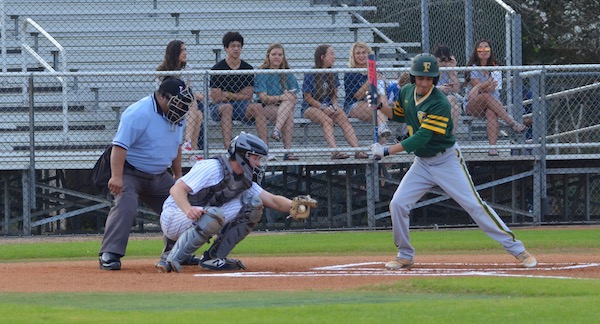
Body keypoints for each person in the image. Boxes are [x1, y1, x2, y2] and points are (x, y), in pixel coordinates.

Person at [370, 53, 537, 270]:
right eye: (420, 77)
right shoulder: (407, 92)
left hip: (446, 160)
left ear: (434, 80)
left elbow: (421, 137)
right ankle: (405, 254)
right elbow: (399, 114)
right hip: (422, 163)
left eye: (428, 78)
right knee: (398, 204)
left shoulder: (439, 102)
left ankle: (518, 250)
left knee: (475, 206)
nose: (423, 82)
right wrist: (379, 105)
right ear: (413, 78)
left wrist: (386, 150)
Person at [155, 132, 314, 273]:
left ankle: (213, 257)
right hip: (174, 215)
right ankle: (172, 259)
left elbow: (271, 199)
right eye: (255, 158)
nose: (258, 163)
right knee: (213, 214)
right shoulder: (212, 167)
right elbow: (176, 189)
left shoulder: (244, 179)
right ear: (242, 155)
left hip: (194, 217)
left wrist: (295, 207)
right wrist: (188, 209)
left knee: (254, 205)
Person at [99, 77, 194, 270]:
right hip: (130, 172)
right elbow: (119, 146)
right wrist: (116, 176)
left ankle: (177, 252)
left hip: (159, 174)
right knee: (126, 203)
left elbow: (176, 146)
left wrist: (178, 176)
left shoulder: (177, 116)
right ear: (161, 96)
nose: (182, 107)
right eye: (177, 101)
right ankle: (110, 253)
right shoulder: (138, 112)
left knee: (181, 206)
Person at [302, 44, 368, 160]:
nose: (334, 56)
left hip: (328, 106)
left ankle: (357, 150)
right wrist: (323, 107)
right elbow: (308, 97)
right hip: (311, 107)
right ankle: (334, 151)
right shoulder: (311, 73)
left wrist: (335, 105)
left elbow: (334, 95)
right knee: (327, 120)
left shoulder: (333, 72)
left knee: (343, 117)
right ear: (322, 57)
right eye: (331, 54)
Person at [464, 39, 526, 156]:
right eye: (480, 48)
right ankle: (512, 123)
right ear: (476, 52)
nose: (483, 51)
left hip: (491, 104)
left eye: (486, 48)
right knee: (486, 96)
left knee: (491, 112)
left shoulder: (495, 66)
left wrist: (484, 86)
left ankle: (493, 148)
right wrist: (486, 85)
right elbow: (477, 87)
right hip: (473, 104)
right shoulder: (473, 67)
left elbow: (493, 88)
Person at [210, 31, 268, 151]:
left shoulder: (247, 68)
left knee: (257, 107)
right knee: (227, 108)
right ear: (226, 48)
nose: (236, 49)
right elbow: (216, 98)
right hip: (220, 107)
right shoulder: (217, 68)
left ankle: (264, 147)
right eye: (233, 46)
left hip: (242, 106)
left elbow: (248, 95)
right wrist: (238, 95)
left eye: (238, 46)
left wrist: (228, 94)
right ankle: (228, 148)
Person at [157, 40, 205, 154]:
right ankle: (189, 143)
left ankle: (192, 150)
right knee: (193, 102)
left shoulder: (187, 68)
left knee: (199, 113)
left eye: (185, 50)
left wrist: (194, 95)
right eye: (182, 50)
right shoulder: (162, 70)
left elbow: (187, 91)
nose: (185, 53)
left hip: (183, 105)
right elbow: (161, 93)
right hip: (168, 104)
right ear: (174, 53)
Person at [255, 43, 300, 161]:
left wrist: (286, 97)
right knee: (288, 109)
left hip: (282, 107)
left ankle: (277, 131)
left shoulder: (286, 72)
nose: (277, 57)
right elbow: (263, 98)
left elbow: (294, 94)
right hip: (265, 107)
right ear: (268, 56)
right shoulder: (262, 72)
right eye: (274, 54)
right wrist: (281, 97)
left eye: (280, 54)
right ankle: (287, 150)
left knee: (289, 108)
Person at [343, 42, 392, 142]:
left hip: (374, 103)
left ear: (368, 54)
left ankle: (381, 143)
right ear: (353, 56)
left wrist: (379, 80)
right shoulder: (350, 73)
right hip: (355, 105)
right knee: (379, 110)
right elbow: (357, 96)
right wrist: (371, 79)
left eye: (364, 53)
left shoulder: (376, 70)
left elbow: (382, 93)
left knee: (381, 105)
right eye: (358, 53)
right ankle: (382, 143)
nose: (361, 56)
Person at [433, 44, 462, 134]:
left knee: (455, 107)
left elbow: (457, 89)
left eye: (446, 60)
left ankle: (451, 135)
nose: (444, 63)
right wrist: (440, 88)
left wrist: (451, 71)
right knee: (450, 100)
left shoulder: (449, 69)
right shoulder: (432, 68)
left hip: (446, 97)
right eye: (441, 60)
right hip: (433, 96)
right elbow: (428, 87)